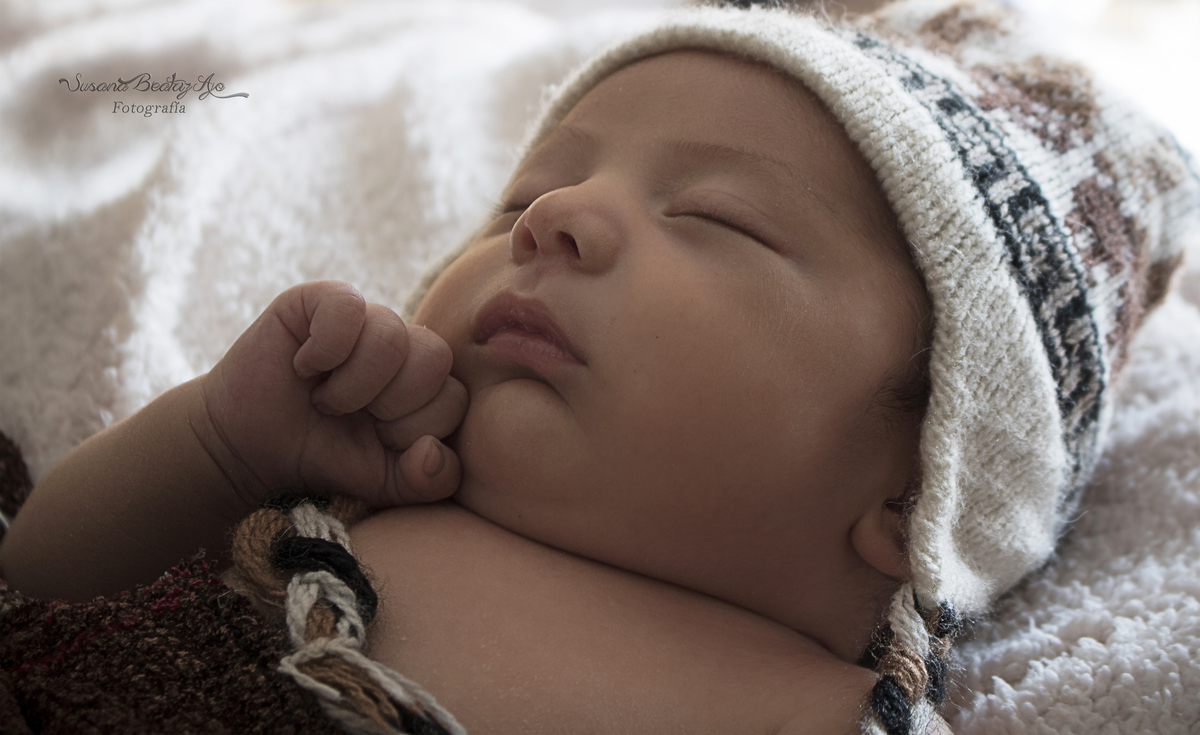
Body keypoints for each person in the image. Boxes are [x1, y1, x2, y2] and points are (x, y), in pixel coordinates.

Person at [1, 1, 1196, 733]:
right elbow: (41, 577)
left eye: (720, 217)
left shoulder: (806, 710)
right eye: (523, 197)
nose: (552, 217)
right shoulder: (346, 496)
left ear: (917, 486)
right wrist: (217, 442)